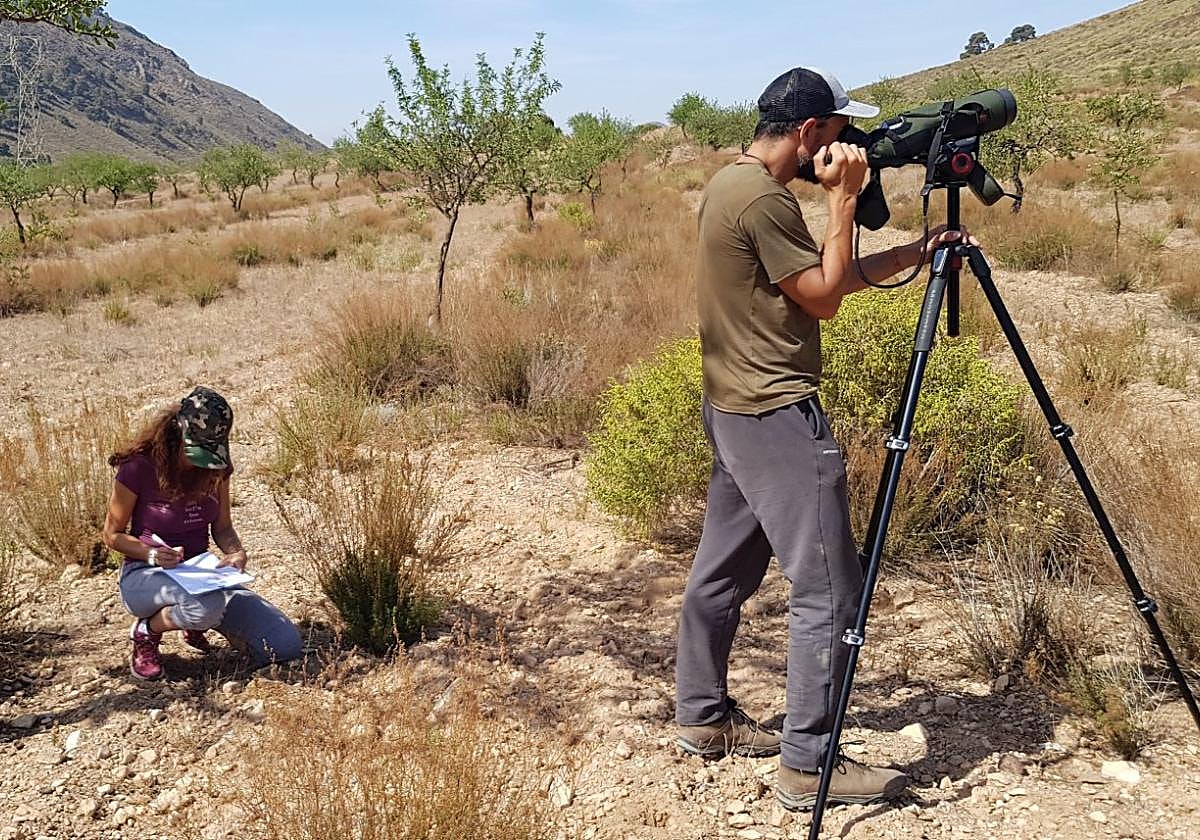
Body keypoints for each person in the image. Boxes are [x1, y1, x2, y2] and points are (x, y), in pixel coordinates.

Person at [673, 67, 979, 810]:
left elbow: (817, 281)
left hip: (734, 407)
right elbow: (824, 300)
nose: (844, 142)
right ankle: (808, 765)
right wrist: (843, 201)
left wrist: (912, 252)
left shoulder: (729, 185)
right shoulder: (767, 201)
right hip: (776, 416)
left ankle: (704, 718)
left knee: (719, 573)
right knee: (830, 594)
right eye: (837, 130)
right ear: (810, 132)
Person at [101, 386, 302, 680]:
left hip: (202, 577)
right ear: (178, 431)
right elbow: (111, 535)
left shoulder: (217, 467)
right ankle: (147, 630)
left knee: (284, 644)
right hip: (144, 575)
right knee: (206, 607)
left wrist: (235, 552)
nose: (203, 462)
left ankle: (193, 621)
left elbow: (222, 527)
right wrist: (153, 554)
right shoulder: (139, 467)